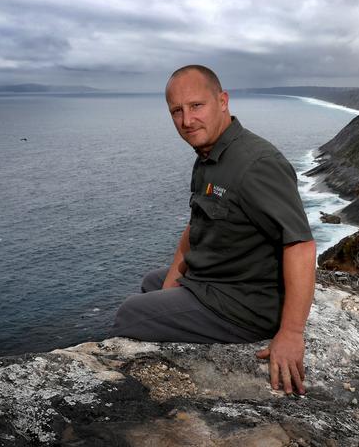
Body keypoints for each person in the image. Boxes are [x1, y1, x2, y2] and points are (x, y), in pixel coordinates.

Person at [111, 65, 316, 395]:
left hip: (243, 303)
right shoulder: (209, 154)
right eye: (176, 111)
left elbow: (301, 246)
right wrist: (171, 287)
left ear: (222, 101)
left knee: (129, 315)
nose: (187, 121)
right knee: (153, 281)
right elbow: (195, 227)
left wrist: (291, 333)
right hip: (217, 279)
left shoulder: (256, 164)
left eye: (196, 106)